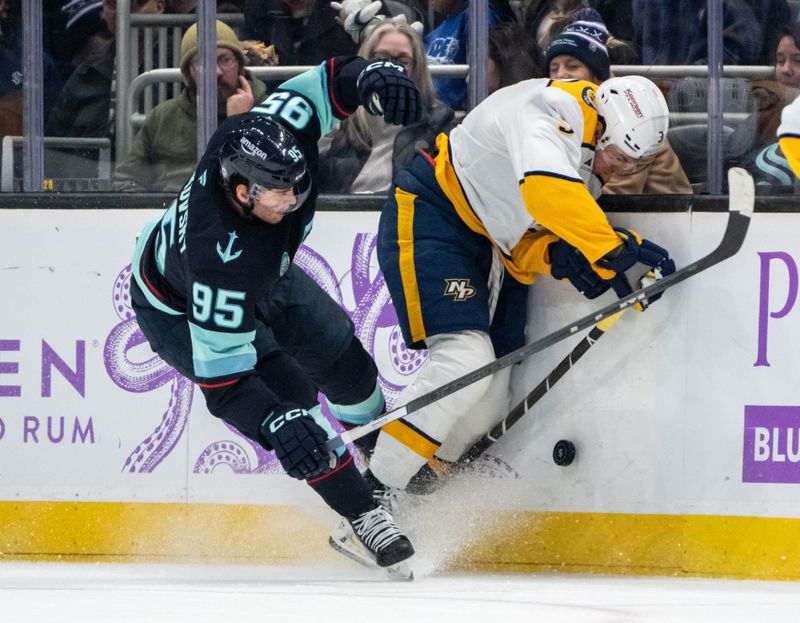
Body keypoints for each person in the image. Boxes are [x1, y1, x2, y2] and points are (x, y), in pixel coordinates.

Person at [129, 54, 422, 574]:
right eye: (281, 193)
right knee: (296, 409)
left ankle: (384, 465)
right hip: (177, 307)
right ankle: (363, 513)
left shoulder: (265, 133)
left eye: (299, 184)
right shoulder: (216, 257)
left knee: (348, 368)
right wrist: (273, 420)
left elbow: (326, 81)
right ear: (242, 192)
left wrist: (372, 75)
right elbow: (226, 386)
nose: (296, 198)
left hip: (268, 273)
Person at [363, 74, 677, 499]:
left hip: (488, 243)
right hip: (434, 212)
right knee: (465, 360)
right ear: (603, 130)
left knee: (490, 399)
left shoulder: (587, 167)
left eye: (634, 164)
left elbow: (528, 238)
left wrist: (573, 260)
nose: (623, 170)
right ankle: (369, 501)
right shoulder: (552, 107)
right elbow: (546, 193)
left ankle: (413, 492)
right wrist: (614, 252)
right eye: (622, 157)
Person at [112, 21, 272, 192]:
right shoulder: (163, 117)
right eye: (203, 63)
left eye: (225, 60)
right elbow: (126, 180)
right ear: (188, 75)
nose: (217, 72)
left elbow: (275, 183)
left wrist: (239, 123)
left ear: (240, 66)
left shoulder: (270, 113)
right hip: (172, 208)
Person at [546, 8, 691, 195]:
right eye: (553, 68)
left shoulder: (631, 114)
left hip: (664, 219)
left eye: (573, 66)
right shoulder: (576, 115)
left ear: (597, 74)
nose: (561, 74)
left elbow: (617, 193)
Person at [319, 20, 454, 194]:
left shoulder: (439, 121)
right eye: (381, 59)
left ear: (416, 67)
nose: (391, 68)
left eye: (402, 61)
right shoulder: (341, 112)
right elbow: (312, 176)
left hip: (402, 213)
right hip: (342, 214)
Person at [45, 0, 166, 158]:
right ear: (103, 10)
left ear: (159, 6)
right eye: (112, 4)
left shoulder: (180, 69)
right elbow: (53, 152)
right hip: (91, 176)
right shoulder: (86, 75)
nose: (122, 12)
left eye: (135, 4)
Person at [424, 0, 503, 110]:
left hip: (458, 116)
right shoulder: (436, 32)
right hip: (431, 112)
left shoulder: (477, 17)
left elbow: (487, 74)